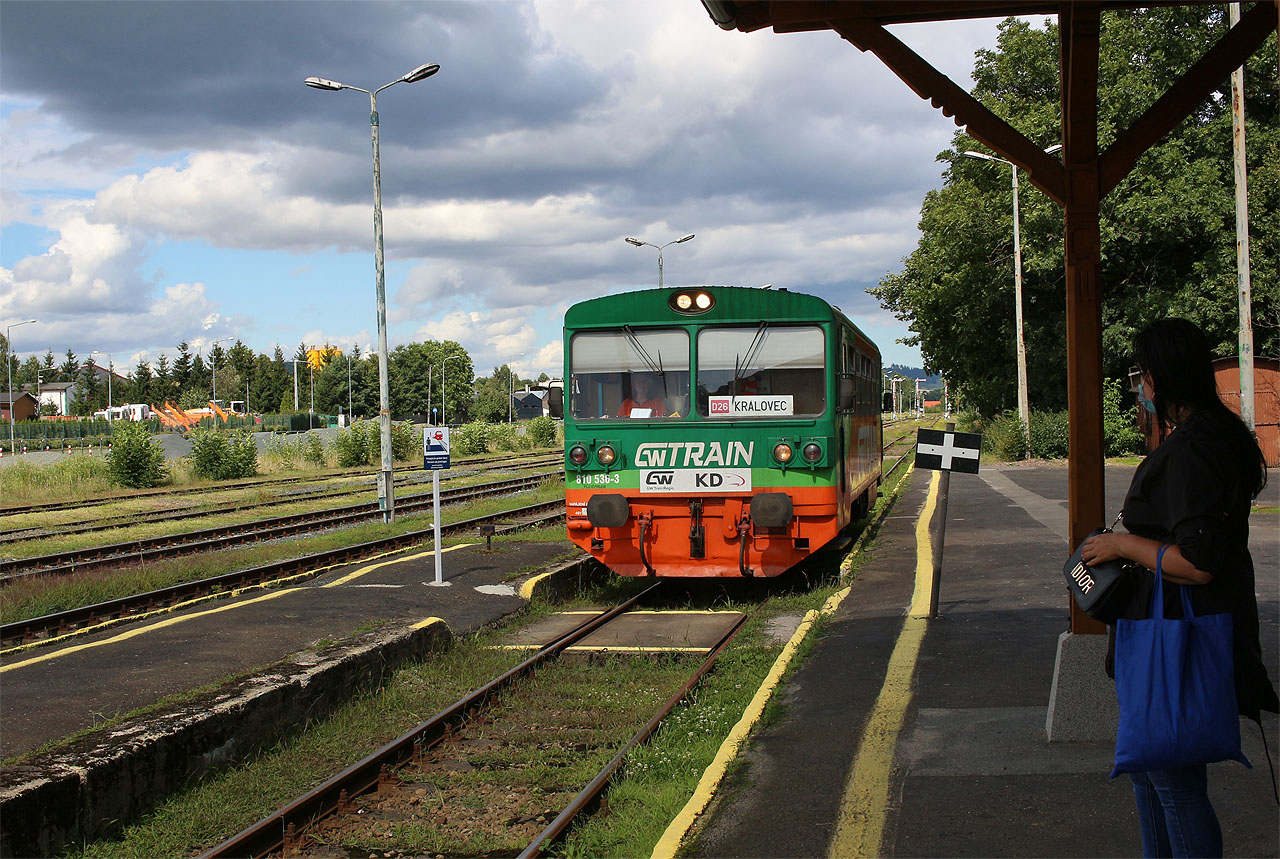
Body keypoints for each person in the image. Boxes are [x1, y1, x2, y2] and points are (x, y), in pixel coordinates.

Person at [1082, 318, 1278, 858]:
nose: (1140, 387)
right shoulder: (1218, 434)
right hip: (1181, 628)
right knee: (1152, 774)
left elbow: (1198, 562)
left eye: (1143, 375)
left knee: (1173, 783)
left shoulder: (1193, 448)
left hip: (1176, 636)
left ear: (1159, 376)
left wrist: (1121, 548)